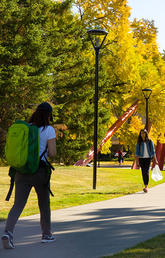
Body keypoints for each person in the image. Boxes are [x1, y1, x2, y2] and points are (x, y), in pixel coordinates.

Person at [1, 102, 56, 249]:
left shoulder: (26, 128)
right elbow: (52, 153)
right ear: (49, 115)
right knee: (44, 204)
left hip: (22, 171)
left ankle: (8, 233)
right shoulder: (49, 130)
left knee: (18, 204)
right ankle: (46, 234)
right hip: (40, 172)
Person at [136, 129, 158, 193]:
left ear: (146, 134)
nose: (143, 134)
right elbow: (137, 153)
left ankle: (146, 186)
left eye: (144, 133)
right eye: (141, 133)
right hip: (141, 158)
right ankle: (145, 185)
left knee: (146, 171)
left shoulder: (150, 141)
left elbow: (153, 151)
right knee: (143, 172)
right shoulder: (139, 142)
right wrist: (137, 162)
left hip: (148, 158)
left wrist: (155, 160)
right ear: (140, 134)